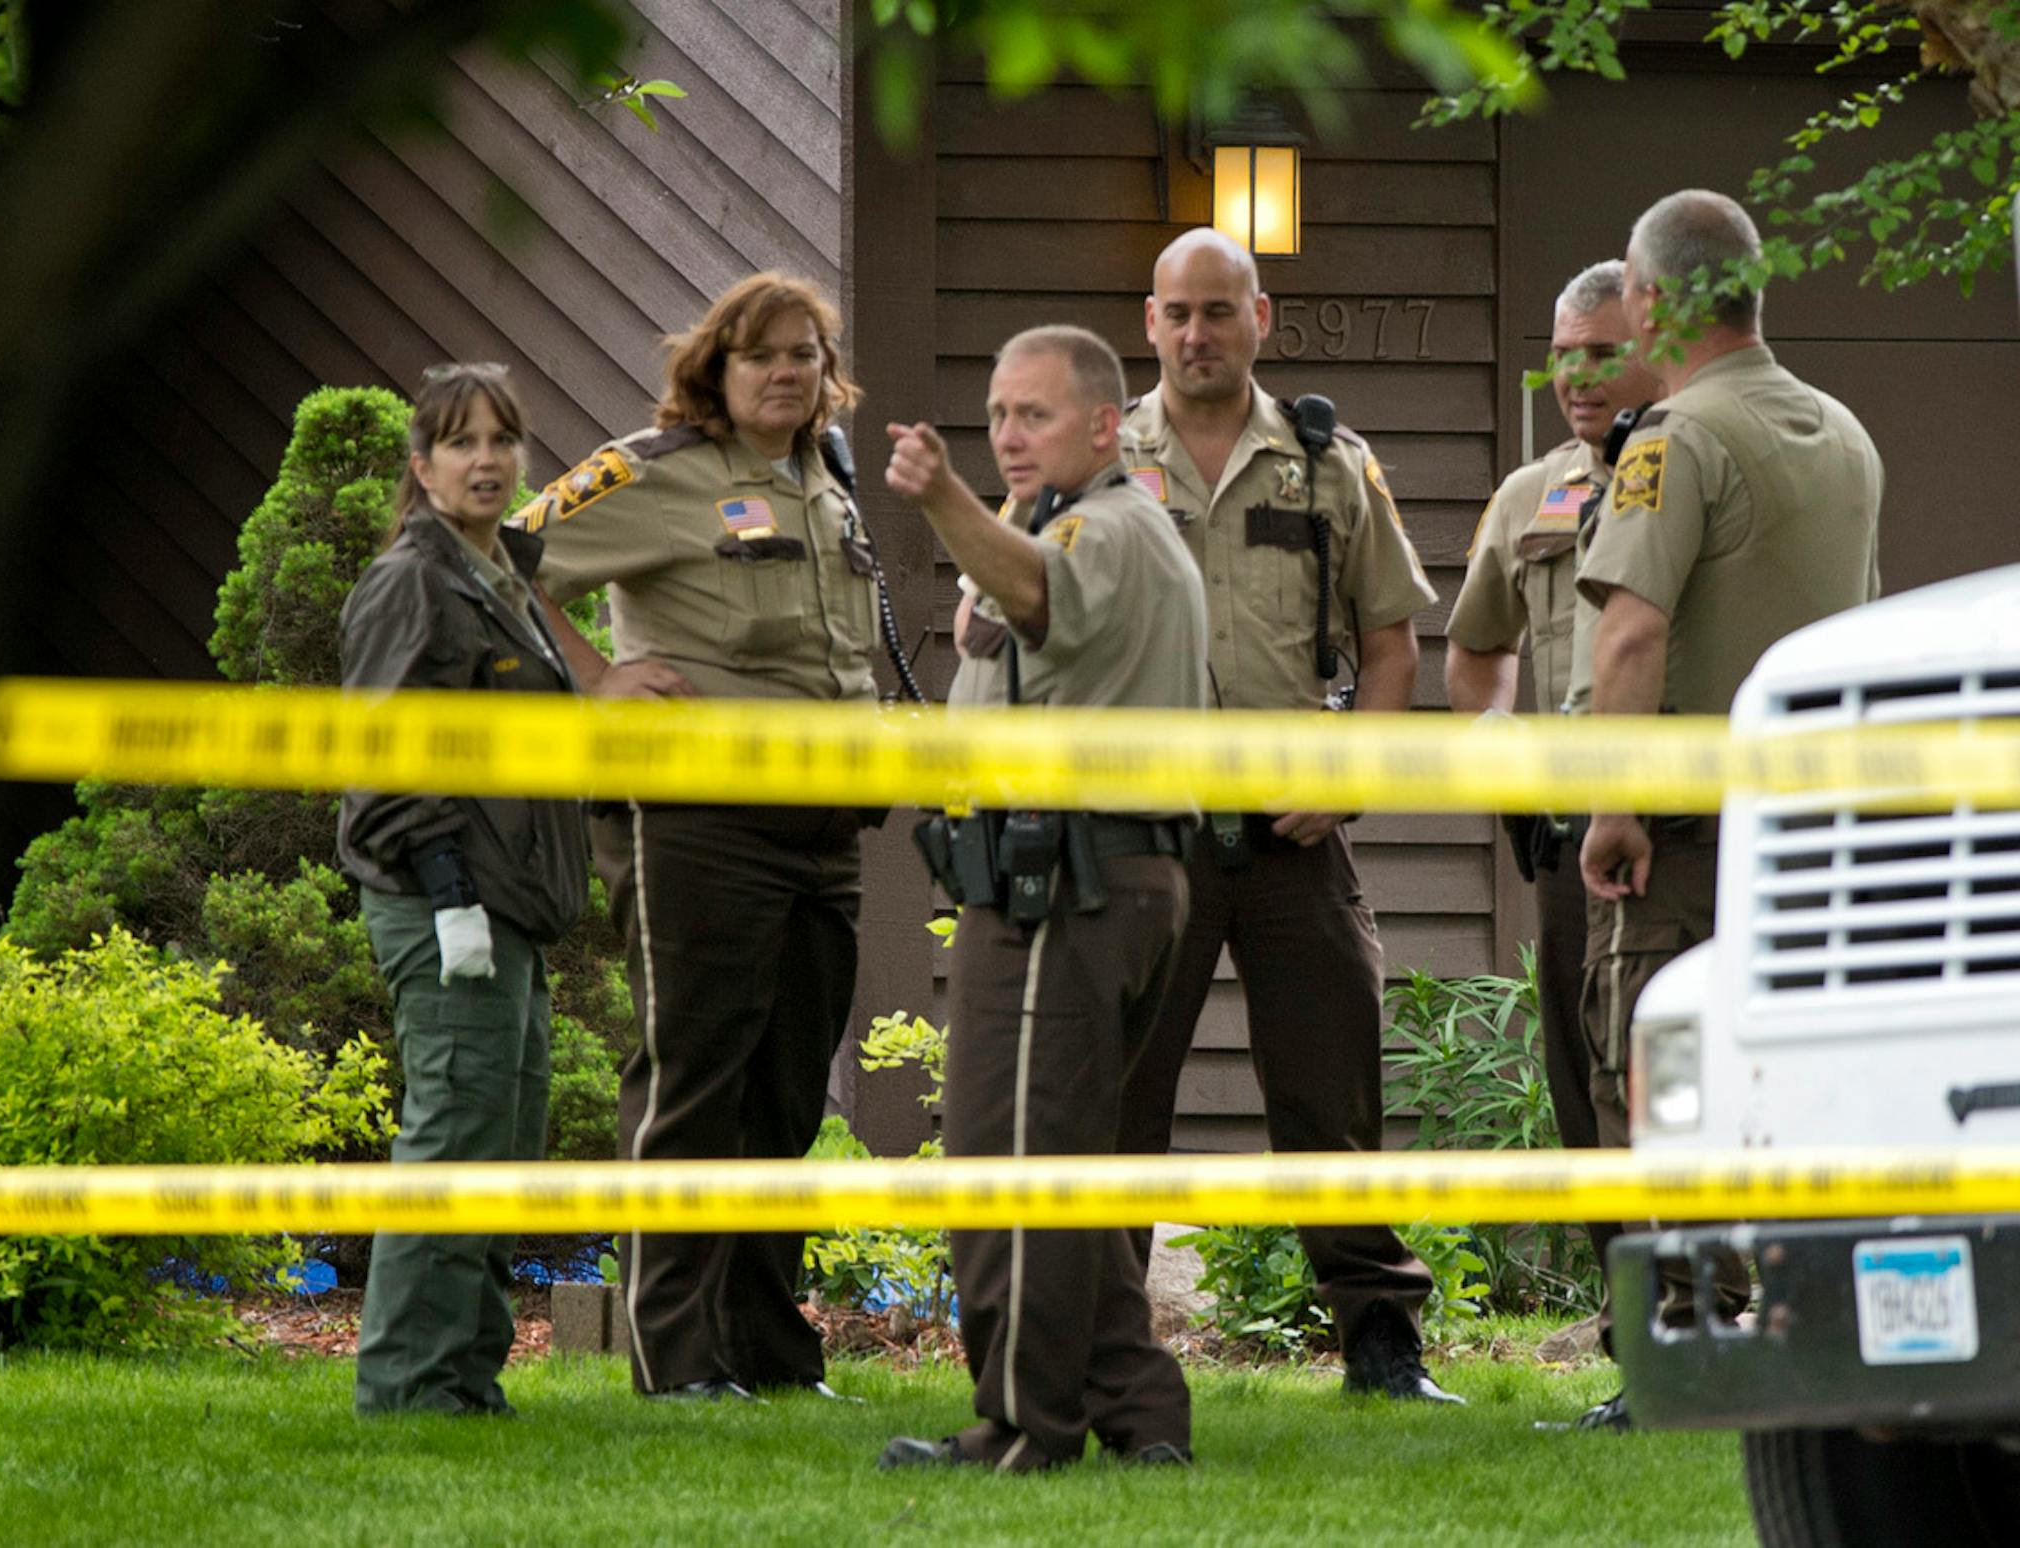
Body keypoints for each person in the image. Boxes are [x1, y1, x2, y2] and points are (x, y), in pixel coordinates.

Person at [510, 273, 877, 1402]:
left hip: (826, 823)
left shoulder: (828, 483)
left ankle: (767, 1352)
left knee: (789, 1093)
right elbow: (501, 553)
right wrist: (597, 676)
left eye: (805, 355)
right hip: (697, 823)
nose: (785, 373)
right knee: (692, 1079)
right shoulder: (656, 473)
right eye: (760, 355)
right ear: (714, 369)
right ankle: (674, 1360)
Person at [1113, 229, 1459, 1403]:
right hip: (1143, 826)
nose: (1199, 334)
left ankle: (1380, 1343)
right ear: (1148, 321)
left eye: (1221, 311)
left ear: (1263, 317)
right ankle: (1107, 1342)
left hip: (1291, 830)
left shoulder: (1331, 464)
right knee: (1119, 1091)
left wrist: (1353, 773)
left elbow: (1391, 642)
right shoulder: (1102, 458)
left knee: (1333, 1086)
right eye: (1179, 314)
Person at [1570, 190, 1883, 1429]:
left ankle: (1688, 1359)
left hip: (1694, 835)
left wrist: (1613, 807)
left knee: (1656, 1072)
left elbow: (1632, 631)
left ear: (1652, 298)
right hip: (1819, 831)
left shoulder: (1674, 439)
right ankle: (1810, 1345)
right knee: (1800, 1079)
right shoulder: (1844, 432)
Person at [876, 325, 1207, 1472]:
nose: (1009, 435)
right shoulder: (1055, 519)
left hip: (1071, 885)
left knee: (1005, 1159)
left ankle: (1025, 1427)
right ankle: (1139, 1413)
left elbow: (1036, 599)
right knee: (1053, 1153)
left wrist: (941, 499)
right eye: (999, 413)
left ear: (1108, 424)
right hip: (1060, 878)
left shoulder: (1107, 526)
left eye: (1037, 415)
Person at [339, 362, 589, 1416]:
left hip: (511, 910)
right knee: (452, 1135)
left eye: (500, 440)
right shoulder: (412, 580)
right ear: (422, 465)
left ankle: (465, 1379)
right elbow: (390, 757)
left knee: (502, 1140)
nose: (485, 460)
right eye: (460, 442)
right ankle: (406, 1387)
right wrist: (450, 899)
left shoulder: (505, 577)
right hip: (444, 905)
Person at [1446, 259, 1661, 1173]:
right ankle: (1624, 1292)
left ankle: (1713, 1291)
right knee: (1582, 1055)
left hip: (1686, 810)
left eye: (1602, 353)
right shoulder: (1532, 495)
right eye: (1561, 355)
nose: (1576, 376)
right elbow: (1476, 647)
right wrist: (1493, 729)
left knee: (1676, 1048)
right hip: (1574, 826)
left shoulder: (1698, 468)